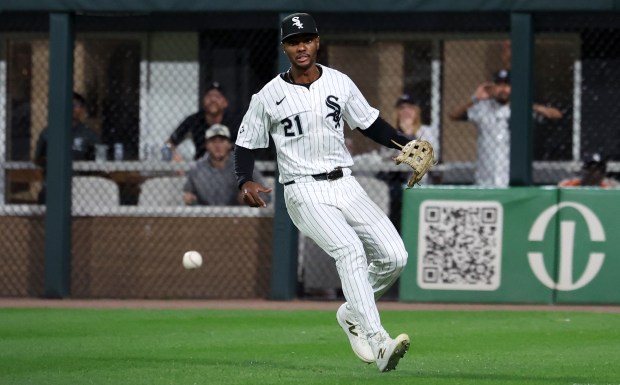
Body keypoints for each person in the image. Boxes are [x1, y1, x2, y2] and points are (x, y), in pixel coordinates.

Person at [234, 13, 412, 372]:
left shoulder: (339, 82)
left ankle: (351, 311)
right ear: (284, 47)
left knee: (395, 257)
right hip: (303, 190)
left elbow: (370, 123)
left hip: (346, 183)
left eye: (308, 39)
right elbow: (245, 144)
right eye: (294, 41)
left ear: (317, 42)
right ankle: (378, 341)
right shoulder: (268, 95)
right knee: (349, 249)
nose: (301, 46)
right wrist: (244, 180)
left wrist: (406, 143)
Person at [448, 69, 563, 187]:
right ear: (493, 87)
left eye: (507, 85)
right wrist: (474, 98)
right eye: (499, 85)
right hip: (485, 177)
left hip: (513, 178)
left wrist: (525, 104)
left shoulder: (523, 108)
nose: (503, 89)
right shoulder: (482, 107)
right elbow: (453, 115)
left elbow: (556, 115)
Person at [378, 94, 440, 232]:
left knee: (418, 223)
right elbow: (386, 156)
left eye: (410, 108)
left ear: (416, 111)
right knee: (396, 221)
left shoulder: (426, 131)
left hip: (418, 182)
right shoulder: (390, 132)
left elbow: (432, 156)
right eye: (402, 108)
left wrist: (409, 136)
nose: (406, 111)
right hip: (394, 185)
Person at [34, 92, 100, 203]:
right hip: (54, 184)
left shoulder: (89, 135)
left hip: (82, 186)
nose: (71, 108)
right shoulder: (48, 132)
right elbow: (38, 159)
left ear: (82, 109)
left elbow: (98, 162)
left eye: (75, 105)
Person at [183, 124, 271, 206]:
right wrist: (190, 199)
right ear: (206, 145)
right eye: (213, 141)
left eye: (222, 141)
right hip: (207, 218)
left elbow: (266, 196)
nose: (218, 146)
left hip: (238, 218)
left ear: (229, 144)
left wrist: (249, 197)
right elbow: (187, 194)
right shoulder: (197, 169)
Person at [166, 81, 235, 161]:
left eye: (217, 96)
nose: (212, 100)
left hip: (228, 168)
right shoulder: (193, 120)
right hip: (200, 167)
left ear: (225, 103)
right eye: (209, 96)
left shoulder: (234, 122)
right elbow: (169, 143)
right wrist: (175, 158)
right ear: (203, 101)